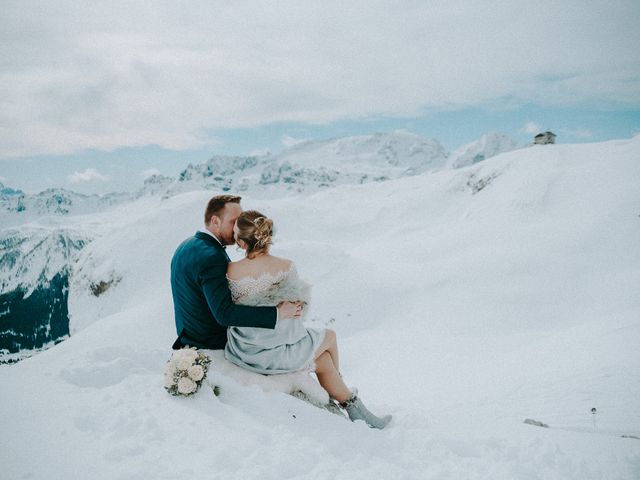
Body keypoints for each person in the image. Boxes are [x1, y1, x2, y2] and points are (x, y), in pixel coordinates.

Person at [224, 209, 392, 429]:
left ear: (242, 242)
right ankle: (347, 397)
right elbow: (294, 319)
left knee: (323, 362)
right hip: (274, 352)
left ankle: (358, 413)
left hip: (244, 350)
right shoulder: (285, 267)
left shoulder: (231, 270)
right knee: (329, 337)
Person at [170, 195, 301, 351]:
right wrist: (277, 313)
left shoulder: (187, 245)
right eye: (234, 221)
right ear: (215, 221)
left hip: (190, 337)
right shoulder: (212, 256)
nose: (238, 227)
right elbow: (224, 313)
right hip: (211, 343)